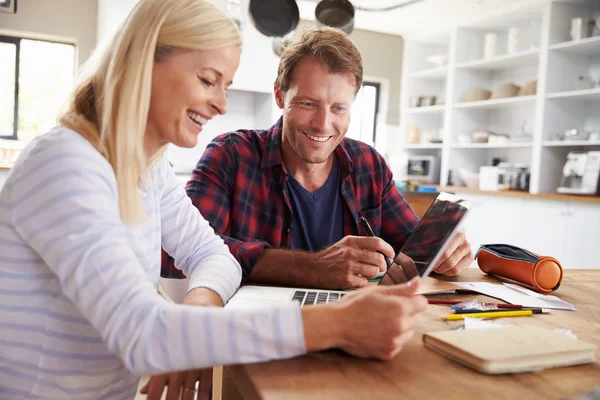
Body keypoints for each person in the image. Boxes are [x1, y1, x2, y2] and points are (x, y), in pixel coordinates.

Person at [0, 1, 428, 399]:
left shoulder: (148, 171)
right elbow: (145, 334)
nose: (222, 104)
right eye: (208, 80)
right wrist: (336, 322)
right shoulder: (65, 162)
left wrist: (196, 317)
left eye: (226, 85)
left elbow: (215, 255)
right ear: (142, 65)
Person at [161, 26, 473, 290]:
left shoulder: (369, 165)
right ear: (281, 96)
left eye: (339, 108)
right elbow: (181, 256)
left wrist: (442, 252)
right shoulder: (231, 154)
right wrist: (309, 267)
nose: (323, 125)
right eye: (309, 104)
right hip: (259, 332)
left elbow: (411, 246)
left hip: (356, 330)